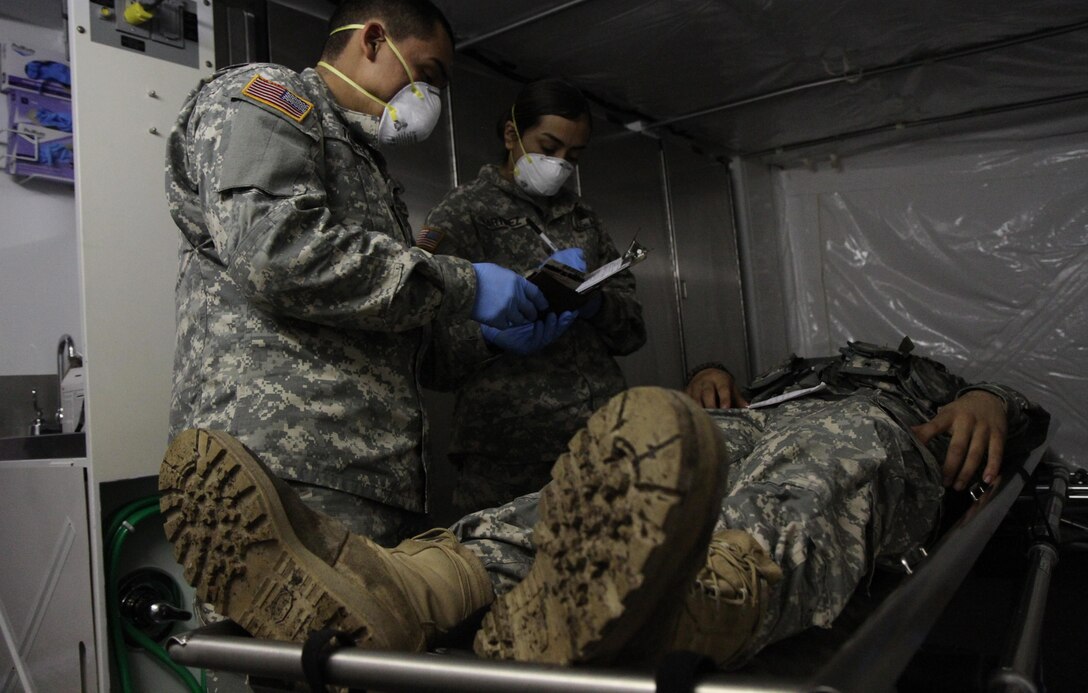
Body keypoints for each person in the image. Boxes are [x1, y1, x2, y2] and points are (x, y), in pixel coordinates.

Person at [159, 338, 1048, 671]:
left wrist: (988, 402)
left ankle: (717, 591)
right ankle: (420, 583)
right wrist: (718, 378)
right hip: (765, 414)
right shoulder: (804, 365)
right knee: (651, 459)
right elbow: (718, 414)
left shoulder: (929, 384)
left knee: (836, 460)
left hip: (889, 434)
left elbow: (1027, 422)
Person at [165, 0, 556, 547]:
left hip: (372, 482)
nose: (430, 99)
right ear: (373, 40)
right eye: (426, 73)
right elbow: (276, 253)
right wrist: (463, 283)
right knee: (292, 640)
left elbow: (398, 343)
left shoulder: (366, 166)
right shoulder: (270, 97)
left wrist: (490, 337)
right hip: (279, 476)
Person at [416, 79, 647, 511]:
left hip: (601, 438)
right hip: (508, 452)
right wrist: (491, 336)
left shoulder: (582, 217)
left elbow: (633, 333)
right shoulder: (464, 214)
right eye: (549, 146)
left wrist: (596, 303)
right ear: (511, 134)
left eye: (573, 156)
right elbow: (428, 357)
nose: (559, 164)